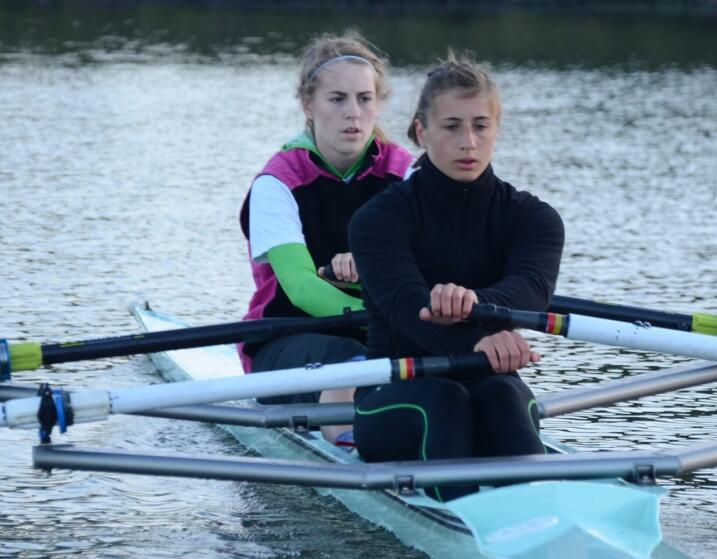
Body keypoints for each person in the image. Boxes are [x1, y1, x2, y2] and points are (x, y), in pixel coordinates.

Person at [348, 53, 564, 501]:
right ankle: (480, 532)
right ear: (421, 132)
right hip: (394, 392)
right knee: (446, 402)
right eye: (451, 126)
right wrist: (478, 338)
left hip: (491, 380)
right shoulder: (378, 219)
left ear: (497, 129)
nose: (468, 141)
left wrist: (470, 304)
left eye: (480, 125)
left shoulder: (535, 219)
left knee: (503, 394)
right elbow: (408, 309)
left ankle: (538, 520)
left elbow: (530, 294)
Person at [239, 31, 412, 446]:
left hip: (385, 333)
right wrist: (388, 319)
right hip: (285, 339)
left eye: (364, 98)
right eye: (337, 99)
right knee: (350, 364)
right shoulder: (277, 183)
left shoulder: (407, 174)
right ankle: (352, 447)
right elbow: (301, 289)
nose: (353, 113)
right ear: (309, 106)